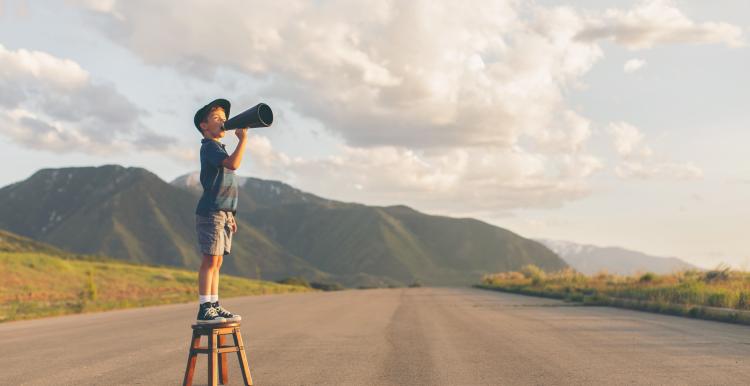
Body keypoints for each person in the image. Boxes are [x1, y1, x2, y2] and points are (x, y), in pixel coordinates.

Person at [193, 98, 248, 324]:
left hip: (223, 212)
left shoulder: (218, 147)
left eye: (225, 119)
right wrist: (243, 140)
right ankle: (205, 308)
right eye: (217, 118)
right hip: (211, 212)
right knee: (209, 260)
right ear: (204, 126)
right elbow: (233, 165)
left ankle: (214, 304)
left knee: (217, 262)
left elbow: (226, 186)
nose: (223, 122)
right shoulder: (210, 147)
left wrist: (231, 214)